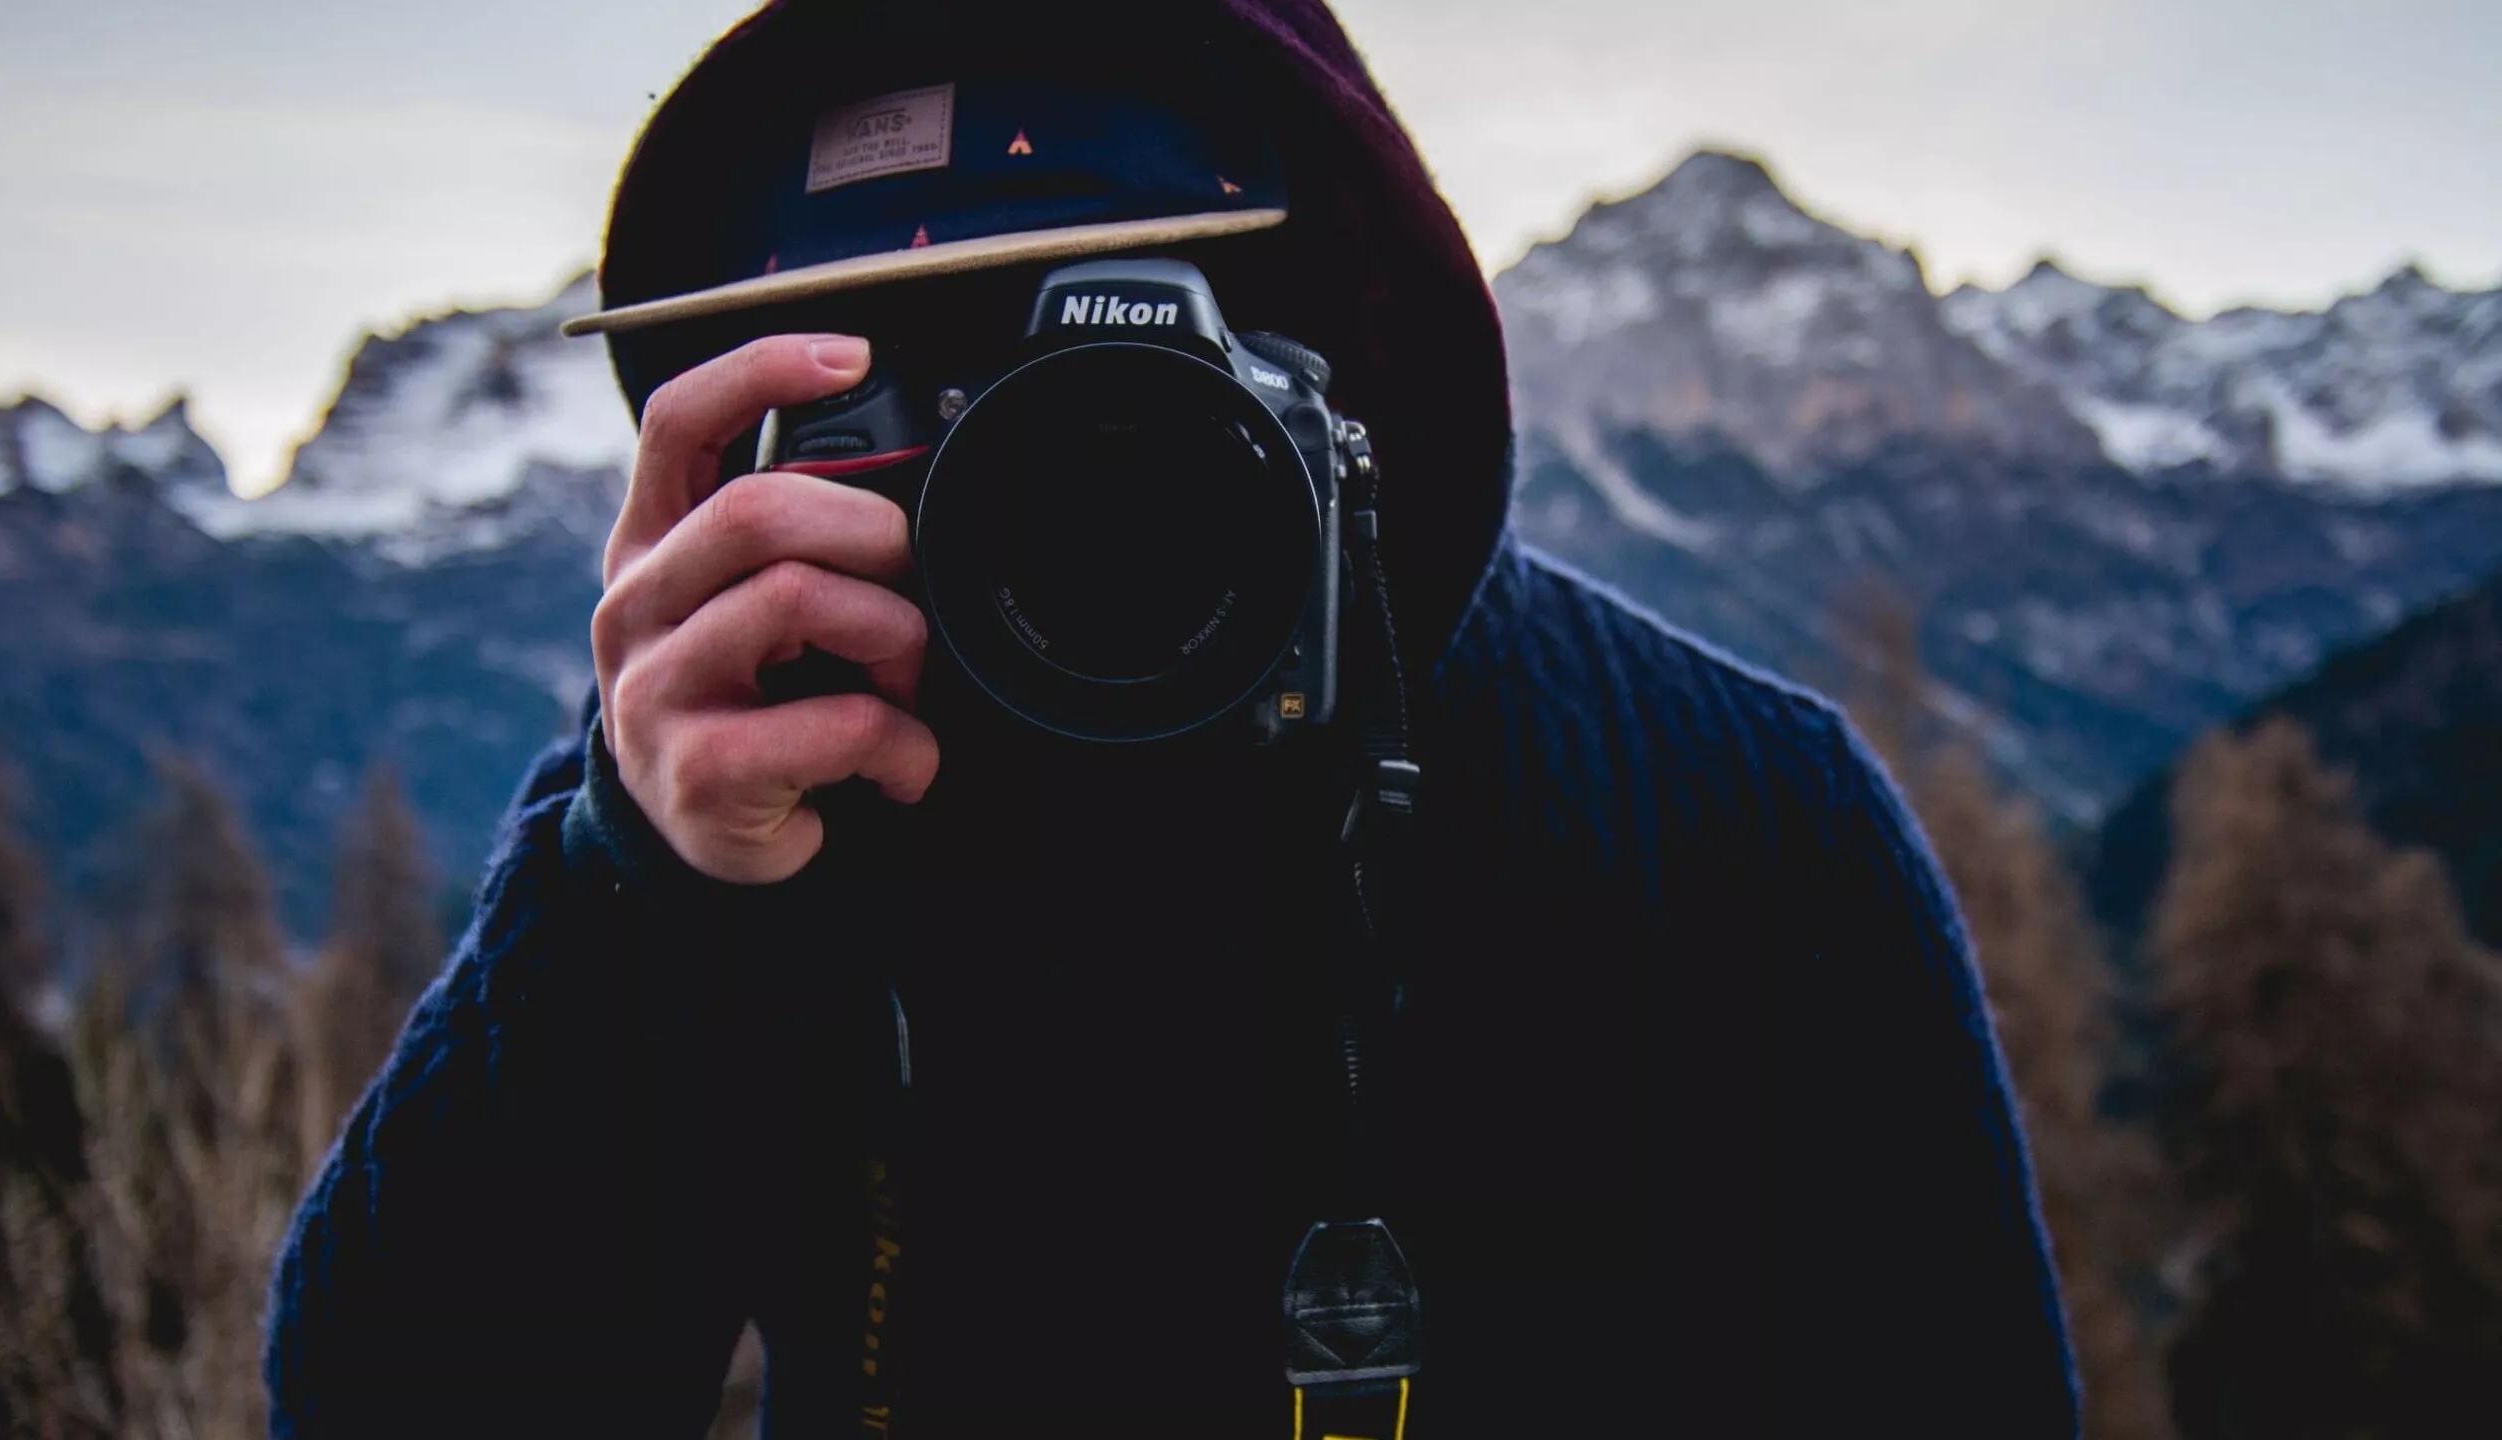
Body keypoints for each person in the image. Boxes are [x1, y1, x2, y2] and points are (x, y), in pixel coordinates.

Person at [265, 2, 2078, 1435]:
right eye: (919, 400)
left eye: (1128, 392)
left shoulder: (1740, 821)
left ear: (1349, 384)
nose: (1047, 488)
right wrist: (633, 897)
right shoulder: (753, 806)